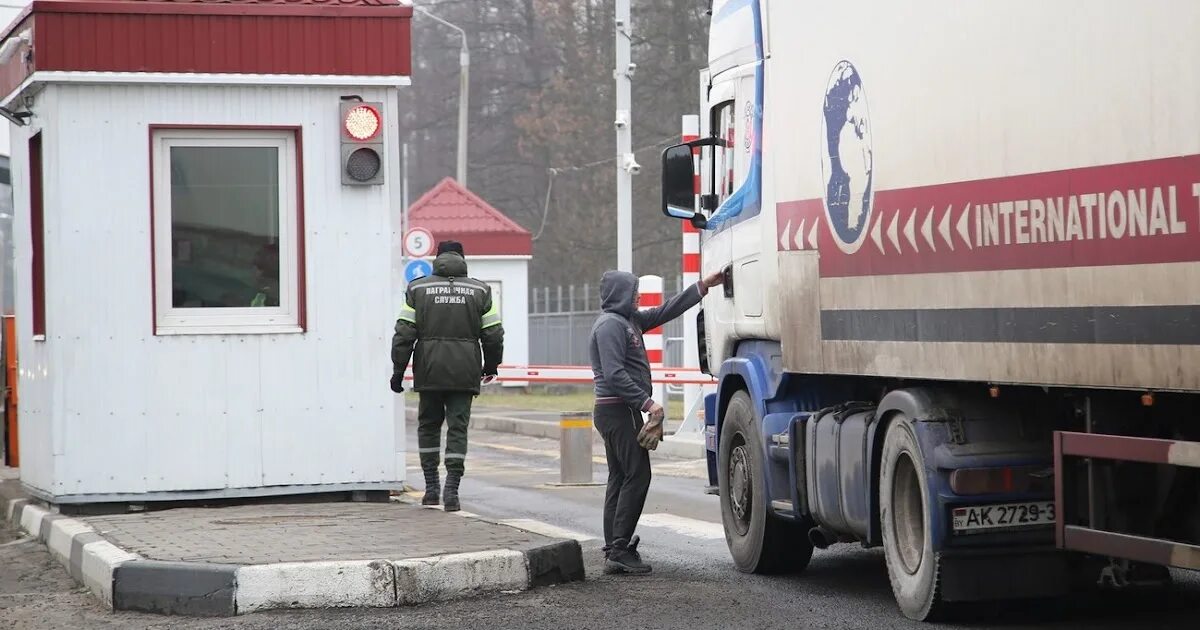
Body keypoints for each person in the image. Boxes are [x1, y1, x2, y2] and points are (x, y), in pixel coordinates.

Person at [589, 269, 724, 573]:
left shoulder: (629, 321)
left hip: (620, 410)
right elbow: (614, 373)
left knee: (620, 477)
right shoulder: (610, 325)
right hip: (618, 409)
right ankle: (619, 549)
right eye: (633, 291)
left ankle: (614, 547)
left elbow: (666, 311)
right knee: (637, 475)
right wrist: (648, 404)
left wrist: (702, 286)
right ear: (619, 294)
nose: (637, 296)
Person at [391, 240, 504, 512]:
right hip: (465, 370)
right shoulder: (481, 290)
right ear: (462, 259)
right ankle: (452, 490)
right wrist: (491, 366)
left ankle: (431, 489)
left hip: (429, 369)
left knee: (428, 426)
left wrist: (398, 370)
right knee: (457, 428)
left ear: (437, 258)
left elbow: (404, 333)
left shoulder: (417, 288)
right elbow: (493, 334)